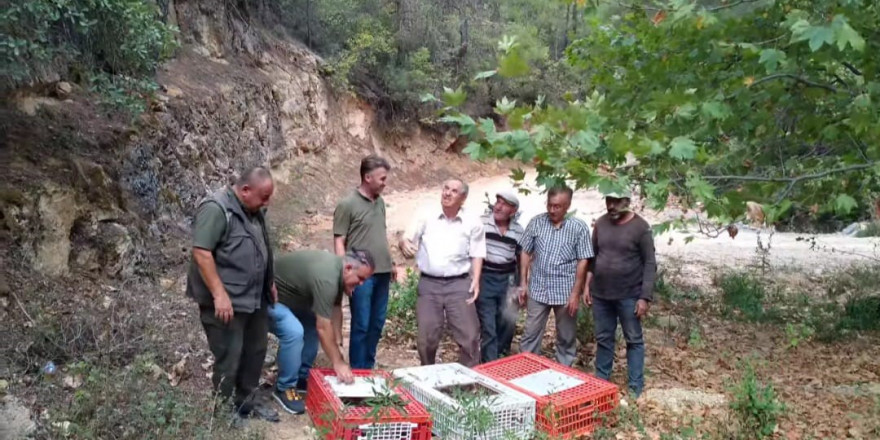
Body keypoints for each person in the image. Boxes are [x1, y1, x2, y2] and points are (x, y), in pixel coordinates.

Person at [185, 166, 280, 423]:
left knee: (256, 351)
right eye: (264, 196)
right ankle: (224, 412)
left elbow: (260, 247)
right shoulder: (216, 209)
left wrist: (269, 281)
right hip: (227, 302)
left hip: (254, 298)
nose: (267, 202)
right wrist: (219, 294)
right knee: (229, 356)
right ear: (245, 190)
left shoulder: (254, 210)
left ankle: (247, 401)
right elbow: (202, 253)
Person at [270, 249, 375, 414]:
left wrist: (339, 343)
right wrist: (338, 362)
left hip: (293, 299)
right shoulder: (328, 279)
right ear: (348, 268)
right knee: (295, 331)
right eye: (360, 278)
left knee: (311, 324)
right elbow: (324, 327)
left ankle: (300, 377)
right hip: (268, 298)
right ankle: (284, 387)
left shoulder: (337, 271)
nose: (361, 284)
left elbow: (335, 308)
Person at [399, 178, 486, 367]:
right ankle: (429, 375)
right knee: (426, 338)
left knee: (469, 335)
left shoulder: (472, 221)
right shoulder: (426, 214)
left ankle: (469, 380)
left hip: (460, 283)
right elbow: (406, 238)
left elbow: (477, 252)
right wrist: (404, 243)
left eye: (454, 191)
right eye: (445, 188)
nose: (447, 193)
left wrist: (476, 280)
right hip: (429, 284)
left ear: (463, 198)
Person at [585, 189, 656, 398]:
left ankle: (635, 386)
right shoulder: (600, 224)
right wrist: (587, 285)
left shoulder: (641, 228)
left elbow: (650, 263)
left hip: (630, 295)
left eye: (616, 202)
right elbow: (592, 257)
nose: (611, 206)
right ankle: (601, 382)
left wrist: (645, 296)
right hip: (601, 295)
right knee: (604, 338)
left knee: (633, 340)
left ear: (627, 201)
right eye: (609, 200)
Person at [333, 155, 397, 369]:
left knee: (377, 323)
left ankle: (368, 367)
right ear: (367, 177)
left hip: (383, 272)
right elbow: (339, 240)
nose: (384, 183)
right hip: (361, 276)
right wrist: (344, 272)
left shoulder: (380, 203)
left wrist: (392, 262)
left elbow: (381, 233)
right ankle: (358, 371)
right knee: (361, 323)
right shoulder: (347, 204)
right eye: (382, 178)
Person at [518, 185, 593, 367]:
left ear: (567, 205)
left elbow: (583, 260)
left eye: (557, 206)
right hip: (538, 288)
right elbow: (525, 252)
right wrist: (523, 282)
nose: (552, 210)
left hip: (565, 291)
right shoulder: (536, 222)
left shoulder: (579, 228)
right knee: (530, 333)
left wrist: (576, 293)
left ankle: (562, 374)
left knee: (566, 336)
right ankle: (527, 369)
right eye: (550, 205)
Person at [477, 190, 524, 363]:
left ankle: (500, 357)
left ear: (513, 211)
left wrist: (521, 285)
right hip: (485, 278)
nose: (498, 206)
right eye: (497, 202)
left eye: (504, 204)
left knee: (507, 322)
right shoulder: (481, 224)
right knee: (488, 325)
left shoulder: (518, 231)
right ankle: (490, 364)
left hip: (508, 280)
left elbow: (521, 259)